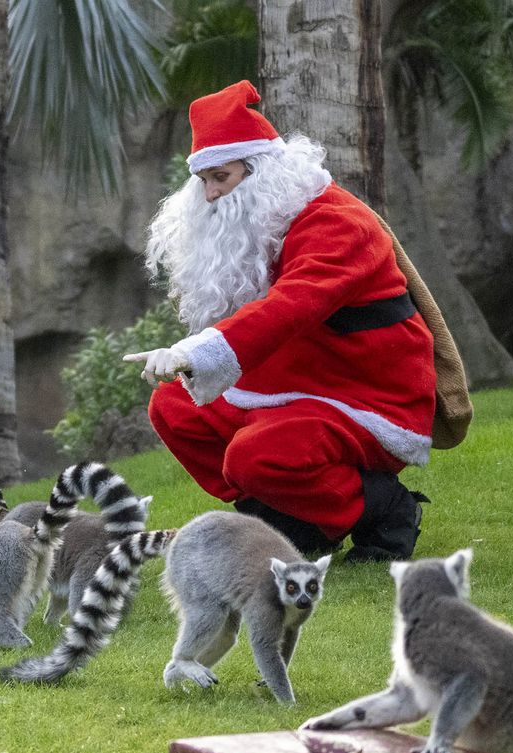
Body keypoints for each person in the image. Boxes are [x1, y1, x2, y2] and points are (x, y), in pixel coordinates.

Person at [124, 80, 436, 562]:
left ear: (261, 172)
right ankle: (289, 519)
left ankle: (385, 508)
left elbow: (290, 306)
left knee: (256, 456)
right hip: (294, 384)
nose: (209, 196)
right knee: (174, 408)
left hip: (366, 396)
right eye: (203, 181)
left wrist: (193, 352)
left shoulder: (338, 223)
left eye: (220, 179)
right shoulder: (264, 225)